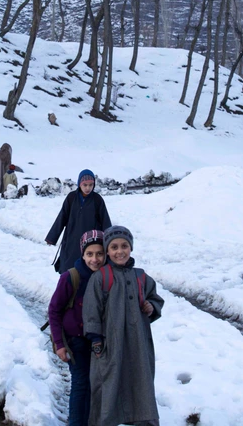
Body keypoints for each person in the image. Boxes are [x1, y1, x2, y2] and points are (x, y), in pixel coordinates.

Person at [82, 225, 164, 426]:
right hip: (110, 343)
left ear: (131, 248)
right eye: (114, 247)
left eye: (124, 246)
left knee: (141, 383)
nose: (120, 251)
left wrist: (151, 306)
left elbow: (155, 298)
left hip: (138, 344)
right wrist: (96, 339)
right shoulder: (101, 277)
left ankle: (145, 421)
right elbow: (91, 309)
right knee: (107, 385)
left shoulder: (141, 276)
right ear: (108, 251)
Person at [48, 230, 105, 426]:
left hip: (101, 342)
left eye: (100, 253)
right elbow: (54, 310)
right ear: (82, 254)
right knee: (81, 384)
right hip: (76, 341)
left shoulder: (109, 277)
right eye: (90, 254)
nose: (95, 259)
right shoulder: (71, 277)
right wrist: (59, 343)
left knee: (97, 385)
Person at [45, 169, 112, 274]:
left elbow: (105, 221)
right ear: (79, 184)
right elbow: (62, 217)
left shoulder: (97, 200)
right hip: (72, 238)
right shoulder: (71, 198)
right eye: (85, 185)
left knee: (89, 266)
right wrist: (52, 238)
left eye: (91, 185)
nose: (88, 188)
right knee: (69, 267)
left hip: (91, 240)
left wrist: (110, 241)